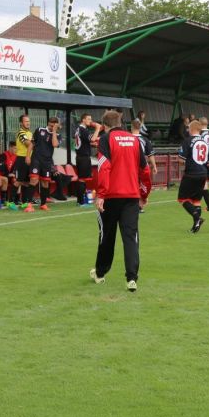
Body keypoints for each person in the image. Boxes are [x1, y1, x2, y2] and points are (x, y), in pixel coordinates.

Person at [90, 110, 151, 292]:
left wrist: (101, 194)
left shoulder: (105, 139)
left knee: (106, 236)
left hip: (111, 196)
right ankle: (131, 278)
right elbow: (145, 171)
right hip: (131, 197)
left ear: (105, 125)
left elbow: (104, 167)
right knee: (131, 237)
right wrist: (144, 195)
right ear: (120, 122)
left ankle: (100, 274)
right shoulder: (134, 140)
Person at [178, 120, 209, 233]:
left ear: (192, 129)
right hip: (203, 174)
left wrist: (186, 162)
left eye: (188, 128)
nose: (187, 130)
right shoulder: (206, 142)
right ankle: (196, 226)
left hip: (191, 174)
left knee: (182, 198)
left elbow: (181, 160)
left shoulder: (187, 141)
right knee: (196, 200)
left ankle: (197, 218)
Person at [30, 116, 61, 211]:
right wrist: (28, 156)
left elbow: (55, 145)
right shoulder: (39, 130)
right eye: (50, 125)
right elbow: (32, 143)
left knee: (45, 183)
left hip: (47, 162)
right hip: (36, 159)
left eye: (53, 126)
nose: (51, 127)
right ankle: (28, 205)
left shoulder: (58, 135)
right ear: (48, 123)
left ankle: (43, 204)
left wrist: (54, 132)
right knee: (34, 180)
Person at [73, 113, 102, 206]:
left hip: (80, 157)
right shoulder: (83, 129)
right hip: (83, 157)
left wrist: (92, 144)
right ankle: (80, 201)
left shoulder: (79, 129)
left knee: (83, 178)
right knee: (82, 179)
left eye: (91, 119)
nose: (91, 121)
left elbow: (85, 141)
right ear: (83, 120)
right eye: (88, 119)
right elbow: (92, 139)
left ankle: (82, 199)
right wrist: (97, 128)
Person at [9, 114, 34, 211]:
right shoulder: (20, 133)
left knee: (27, 182)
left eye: (29, 121)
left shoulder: (30, 133)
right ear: (21, 123)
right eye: (26, 121)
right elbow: (28, 144)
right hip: (21, 159)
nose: (28, 123)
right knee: (19, 181)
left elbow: (32, 145)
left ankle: (24, 202)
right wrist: (33, 144)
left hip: (29, 159)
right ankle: (10, 202)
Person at [131, 118, 157, 212]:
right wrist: (154, 166)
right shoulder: (144, 139)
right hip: (142, 166)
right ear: (140, 127)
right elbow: (150, 155)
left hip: (130, 166)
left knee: (132, 185)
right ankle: (140, 205)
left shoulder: (127, 138)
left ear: (131, 126)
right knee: (142, 185)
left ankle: (134, 205)